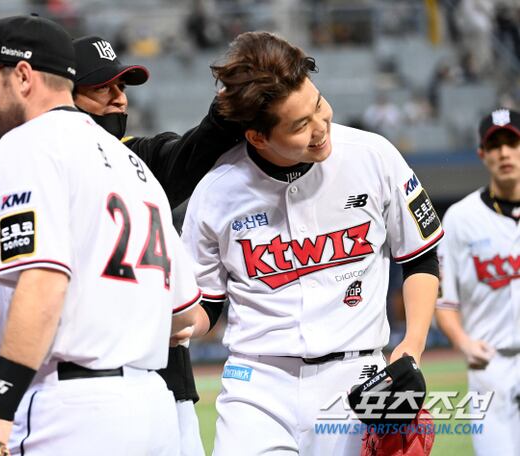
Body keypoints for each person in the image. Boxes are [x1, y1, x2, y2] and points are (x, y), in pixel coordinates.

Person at [0, 33, 241, 456]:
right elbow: (185, 313)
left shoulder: (32, 149)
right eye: (102, 87)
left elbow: (42, 284)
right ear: (68, 92)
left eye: (121, 87)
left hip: (72, 400)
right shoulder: (138, 173)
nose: (120, 99)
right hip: (152, 403)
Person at [179, 31, 442, 455]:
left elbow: (420, 257)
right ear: (257, 137)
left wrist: (411, 346)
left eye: (318, 105)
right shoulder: (216, 191)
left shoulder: (373, 156)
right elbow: (206, 306)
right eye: (300, 125)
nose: (320, 128)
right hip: (256, 386)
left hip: (357, 378)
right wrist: (168, 321)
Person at [435, 108, 520, 456]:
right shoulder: (460, 219)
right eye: (495, 145)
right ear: (482, 154)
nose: (504, 153)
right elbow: (445, 302)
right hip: (490, 367)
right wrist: (463, 342)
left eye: (512, 143)